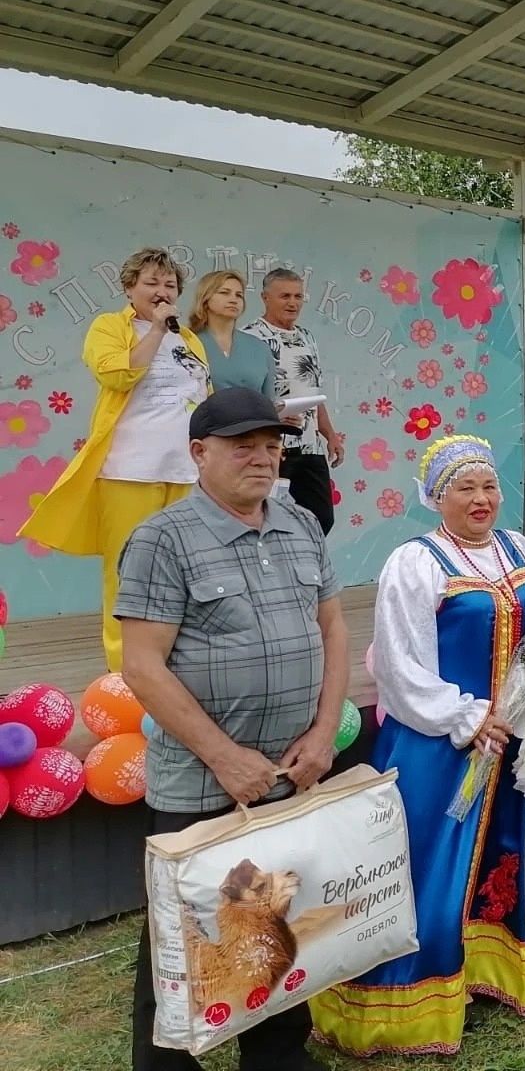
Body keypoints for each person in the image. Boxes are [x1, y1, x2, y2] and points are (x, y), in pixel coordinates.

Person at [313, 434, 525, 1058]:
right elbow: (400, 669)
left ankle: (480, 976)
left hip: (505, 737)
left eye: (488, 486)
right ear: (437, 497)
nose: (481, 500)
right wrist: (466, 717)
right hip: (438, 743)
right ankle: (407, 1000)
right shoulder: (417, 561)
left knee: (495, 860)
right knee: (430, 867)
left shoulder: (517, 547)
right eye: (465, 488)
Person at [116, 387, 349, 1071]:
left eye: (272, 446)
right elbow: (143, 666)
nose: (262, 458)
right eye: (243, 446)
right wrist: (224, 758)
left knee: (273, 918)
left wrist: (325, 731)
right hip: (201, 782)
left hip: (290, 773)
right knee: (184, 936)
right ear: (199, 454)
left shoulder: (300, 523)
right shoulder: (163, 539)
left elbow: (332, 626)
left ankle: (277, 1056)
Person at [20, 246, 210, 674]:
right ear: (129, 288)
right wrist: (157, 331)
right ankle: (125, 669)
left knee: (184, 568)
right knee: (129, 570)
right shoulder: (109, 327)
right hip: (130, 467)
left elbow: (202, 396)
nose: (162, 291)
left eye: (170, 284)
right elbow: (117, 373)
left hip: (185, 469)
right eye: (152, 283)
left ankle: (175, 660)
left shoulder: (190, 338)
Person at [243, 268, 343, 534]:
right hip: (275, 444)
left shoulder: (307, 336)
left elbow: (313, 390)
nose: (293, 303)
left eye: (298, 296)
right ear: (265, 297)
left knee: (320, 518)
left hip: (310, 445)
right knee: (272, 516)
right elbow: (245, 393)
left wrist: (330, 434)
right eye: (285, 296)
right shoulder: (249, 337)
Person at [189, 270, 273, 396]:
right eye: (224, 293)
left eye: (239, 295)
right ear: (205, 299)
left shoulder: (260, 348)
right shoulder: (188, 343)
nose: (233, 300)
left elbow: (270, 403)